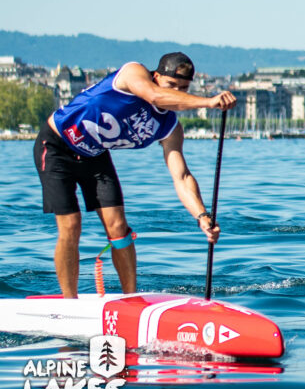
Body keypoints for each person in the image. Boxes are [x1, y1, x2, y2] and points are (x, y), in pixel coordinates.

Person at [33, 52, 237, 298]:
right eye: (172, 85)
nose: (178, 93)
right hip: (56, 145)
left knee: (119, 227)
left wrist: (202, 215)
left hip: (95, 154)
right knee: (71, 225)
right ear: (156, 76)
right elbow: (153, 95)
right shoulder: (132, 73)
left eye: (183, 88)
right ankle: (69, 303)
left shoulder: (170, 127)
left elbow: (181, 176)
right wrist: (208, 102)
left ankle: (130, 299)